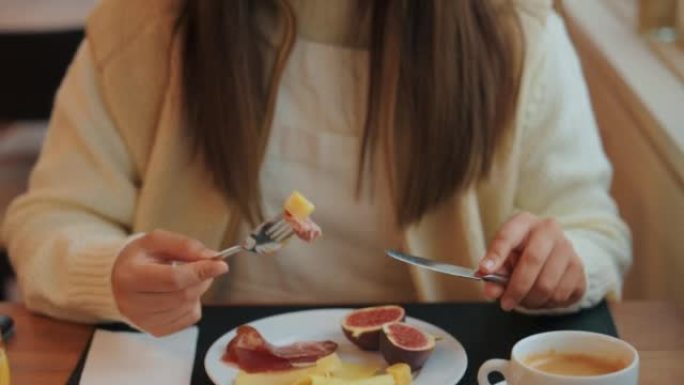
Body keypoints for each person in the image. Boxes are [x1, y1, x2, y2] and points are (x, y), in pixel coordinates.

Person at [1, 0, 631, 337]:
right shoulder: (144, 25)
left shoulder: (517, 33)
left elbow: (593, 231)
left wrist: (562, 262)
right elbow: (50, 216)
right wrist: (109, 273)